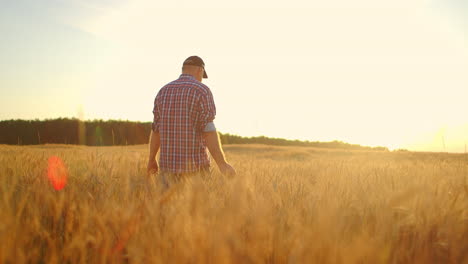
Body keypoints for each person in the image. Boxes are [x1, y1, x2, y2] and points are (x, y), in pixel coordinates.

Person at [147, 56, 236, 187]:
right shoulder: (202, 90)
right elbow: (209, 131)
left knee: (169, 207)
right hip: (195, 170)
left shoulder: (163, 91)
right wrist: (222, 164)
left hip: (167, 169)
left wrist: (151, 159)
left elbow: (156, 130)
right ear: (200, 70)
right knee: (199, 207)